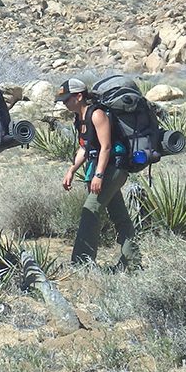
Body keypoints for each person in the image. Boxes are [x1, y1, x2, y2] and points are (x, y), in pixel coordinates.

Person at [56, 78, 140, 269]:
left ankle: (81, 262)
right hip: (102, 168)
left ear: (79, 96)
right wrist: (71, 170)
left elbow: (106, 147)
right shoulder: (80, 118)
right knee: (119, 216)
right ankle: (133, 262)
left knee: (90, 211)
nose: (65, 103)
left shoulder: (97, 114)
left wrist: (99, 175)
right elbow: (85, 148)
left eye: (67, 99)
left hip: (113, 169)